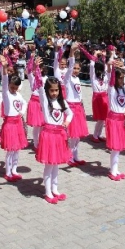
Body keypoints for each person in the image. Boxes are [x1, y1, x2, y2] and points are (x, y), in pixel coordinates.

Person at [34, 57, 72, 204]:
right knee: (49, 165)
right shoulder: (45, 101)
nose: (54, 93)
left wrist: (66, 122)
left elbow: (70, 113)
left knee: (56, 164)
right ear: (47, 91)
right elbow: (39, 85)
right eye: (52, 90)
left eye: (57, 90)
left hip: (59, 135)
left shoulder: (62, 102)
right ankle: (47, 191)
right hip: (48, 135)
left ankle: (55, 188)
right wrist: (37, 69)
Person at [0, 55, 28, 182]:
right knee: (10, 150)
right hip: (9, 124)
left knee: (17, 149)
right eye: (12, 87)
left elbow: (25, 103)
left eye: (16, 87)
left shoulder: (17, 94)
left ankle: (14, 169)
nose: (13, 89)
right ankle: (8, 171)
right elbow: (4, 81)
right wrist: (4, 68)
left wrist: (22, 111)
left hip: (18, 123)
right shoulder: (6, 93)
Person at [105, 57, 125, 180]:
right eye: (119, 78)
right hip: (113, 120)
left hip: (122, 120)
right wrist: (111, 67)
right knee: (115, 148)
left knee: (119, 148)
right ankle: (112, 171)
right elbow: (111, 78)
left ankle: (115, 169)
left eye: (123, 78)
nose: (122, 80)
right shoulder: (111, 89)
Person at [64, 42, 88, 166]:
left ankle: (76, 156)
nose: (76, 70)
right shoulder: (67, 78)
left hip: (78, 108)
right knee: (72, 135)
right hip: (71, 108)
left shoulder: (77, 79)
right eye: (74, 68)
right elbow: (70, 65)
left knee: (77, 136)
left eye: (78, 68)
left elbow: (79, 94)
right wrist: (72, 52)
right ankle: (69, 157)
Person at [79, 46, 108, 142]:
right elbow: (92, 65)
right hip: (97, 97)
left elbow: (107, 66)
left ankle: (99, 134)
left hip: (105, 96)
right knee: (100, 118)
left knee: (104, 118)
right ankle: (95, 135)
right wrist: (95, 54)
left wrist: (104, 56)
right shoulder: (94, 77)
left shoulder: (104, 76)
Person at [26, 54, 46, 148]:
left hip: (43, 103)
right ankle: (36, 143)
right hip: (34, 102)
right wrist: (32, 59)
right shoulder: (32, 78)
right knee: (36, 125)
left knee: (43, 124)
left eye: (38, 68)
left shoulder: (45, 79)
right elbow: (29, 70)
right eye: (35, 67)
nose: (35, 69)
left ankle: (42, 141)